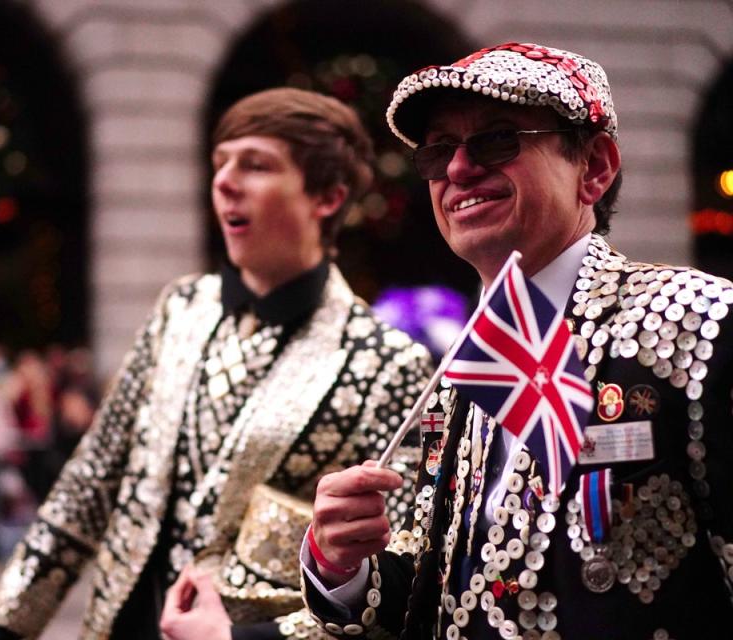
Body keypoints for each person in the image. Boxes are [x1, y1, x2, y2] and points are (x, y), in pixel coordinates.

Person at [303, 42, 733, 639]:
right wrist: (340, 565)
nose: (457, 170)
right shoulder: (462, 364)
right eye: (436, 151)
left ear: (594, 167)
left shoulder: (699, 317)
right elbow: (438, 597)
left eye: (498, 138)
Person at [0, 87, 433, 640]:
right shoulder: (180, 307)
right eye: (220, 163)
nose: (224, 181)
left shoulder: (388, 360)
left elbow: (401, 572)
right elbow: (92, 480)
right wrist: (3, 624)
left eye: (255, 165)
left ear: (328, 198)